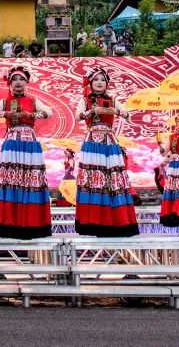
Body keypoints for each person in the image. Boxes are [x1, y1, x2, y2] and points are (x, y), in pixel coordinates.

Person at [0, 66, 53, 239]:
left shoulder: (33, 100)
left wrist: (32, 115)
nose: (18, 83)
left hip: (29, 142)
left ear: (27, 82)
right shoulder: (6, 100)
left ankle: (31, 224)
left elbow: (49, 112)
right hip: (12, 141)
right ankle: (9, 225)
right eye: (14, 79)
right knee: (11, 180)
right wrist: (6, 113)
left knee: (30, 180)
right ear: (9, 83)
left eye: (21, 79)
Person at [72, 67, 137, 237]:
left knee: (112, 179)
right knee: (94, 180)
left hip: (109, 141)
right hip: (92, 141)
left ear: (107, 83)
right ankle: (93, 222)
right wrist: (91, 111)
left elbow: (127, 114)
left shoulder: (112, 99)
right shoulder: (85, 99)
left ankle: (116, 221)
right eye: (96, 80)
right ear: (91, 83)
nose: (99, 83)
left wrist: (119, 111)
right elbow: (78, 116)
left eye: (102, 80)